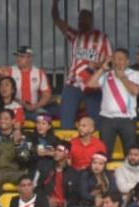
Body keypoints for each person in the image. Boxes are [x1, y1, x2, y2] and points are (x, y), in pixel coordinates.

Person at [51, 0, 110, 130]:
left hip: (92, 84)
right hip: (73, 84)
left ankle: (95, 148)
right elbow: (56, 19)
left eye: (85, 18)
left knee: (96, 121)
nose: (81, 21)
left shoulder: (101, 38)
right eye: (80, 18)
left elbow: (109, 61)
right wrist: (55, 3)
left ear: (91, 20)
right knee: (66, 120)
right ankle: (67, 147)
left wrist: (97, 64)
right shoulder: (76, 36)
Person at [87, 48, 139, 156]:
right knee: (104, 153)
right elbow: (90, 84)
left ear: (127, 61)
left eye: (121, 59)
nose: (117, 61)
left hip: (127, 119)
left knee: (130, 152)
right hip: (107, 119)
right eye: (115, 59)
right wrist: (102, 69)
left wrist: (123, 78)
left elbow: (135, 91)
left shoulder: (135, 74)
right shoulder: (107, 74)